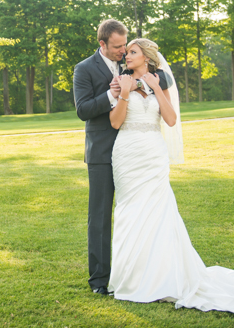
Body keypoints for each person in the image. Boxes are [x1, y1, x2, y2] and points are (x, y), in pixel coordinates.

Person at [108, 37, 234, 316]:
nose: (126, 56)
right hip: (126, 153)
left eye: (132, 52)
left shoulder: (157, 81)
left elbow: (171, 120)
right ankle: (130, 276)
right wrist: (124, 92)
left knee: (158, 210)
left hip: (152, 153)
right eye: (126, 53)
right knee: (129, 210)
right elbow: (115, 122)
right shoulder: (120, 81)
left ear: (147, 58)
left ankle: (161, 275)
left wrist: (154, 88)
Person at [72, 20, 171, 295]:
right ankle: (99, 281)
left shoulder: (132, 64)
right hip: (103, 152)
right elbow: (83, 110)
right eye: (117, 47)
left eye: (124, 47)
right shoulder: (83, 69)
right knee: (101, 216)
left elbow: (165, 78)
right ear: (102, 44)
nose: (122, 52)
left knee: (138, 212)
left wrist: (139, 81)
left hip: (135, 153)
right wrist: (110, 94)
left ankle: (140, 272)